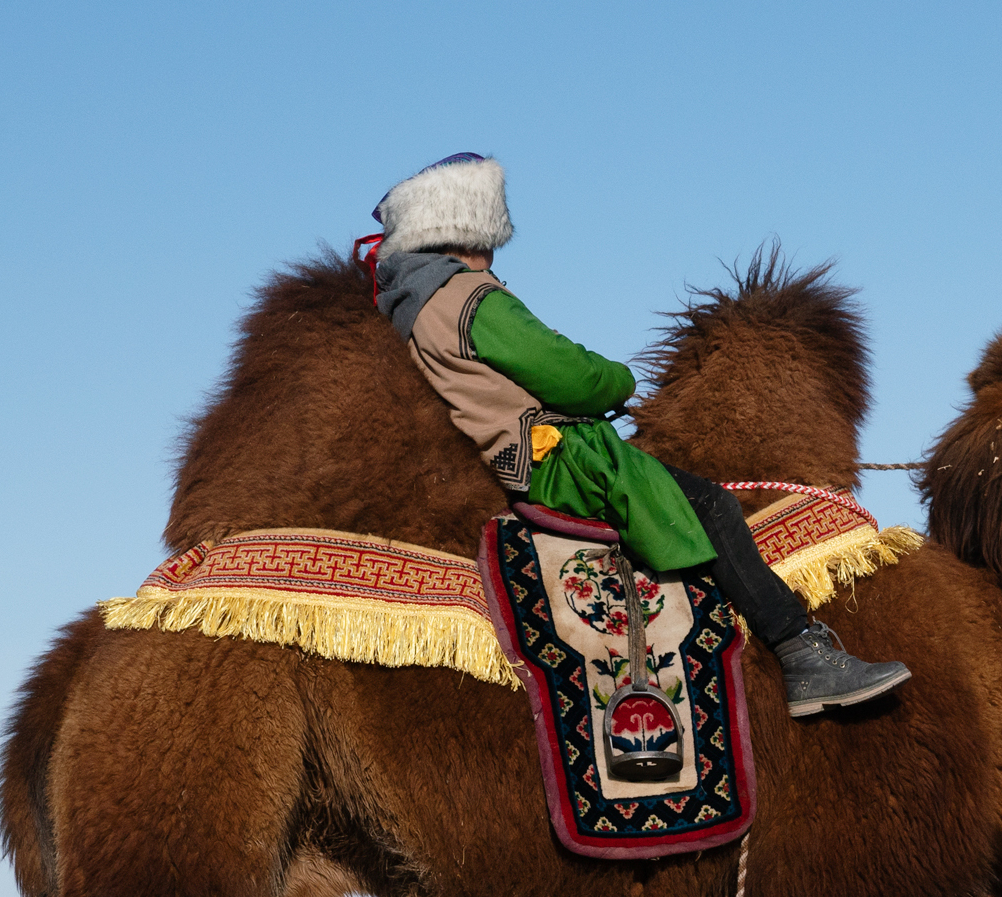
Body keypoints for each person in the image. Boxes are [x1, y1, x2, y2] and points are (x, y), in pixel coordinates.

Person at [364, 152, 906, 716]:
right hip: (558, 457)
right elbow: (568, 374)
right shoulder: (471, 297)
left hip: (506, 460)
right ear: (469, 229)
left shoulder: (412, 304)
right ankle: (803, 654)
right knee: (711, 504)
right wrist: (617, 381)